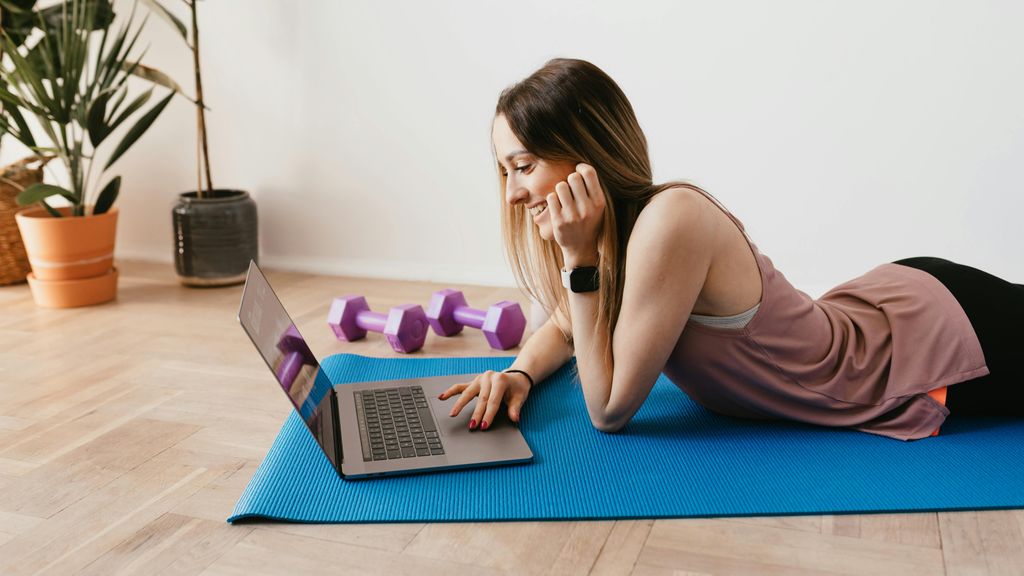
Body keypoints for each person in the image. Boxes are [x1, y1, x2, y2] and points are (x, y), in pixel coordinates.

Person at [440, 58, 1024, 441]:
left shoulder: (672, 219)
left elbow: (609, 409)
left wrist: (576, 259)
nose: (513, 192)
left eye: (524, 166)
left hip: (925, 347)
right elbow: (568, 327)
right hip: (884, 311)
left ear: (583, 152)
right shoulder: (617, 238)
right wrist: (518, 373)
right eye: (504, 170)